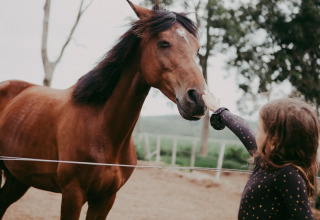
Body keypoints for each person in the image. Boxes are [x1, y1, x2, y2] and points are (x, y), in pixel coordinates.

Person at [202, 90, 320, 220]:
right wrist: (219, 110)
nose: (255, 133)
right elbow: (243, 131)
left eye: (259, 129)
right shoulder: (266, 160)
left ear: (274, 141)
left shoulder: (289, 175)